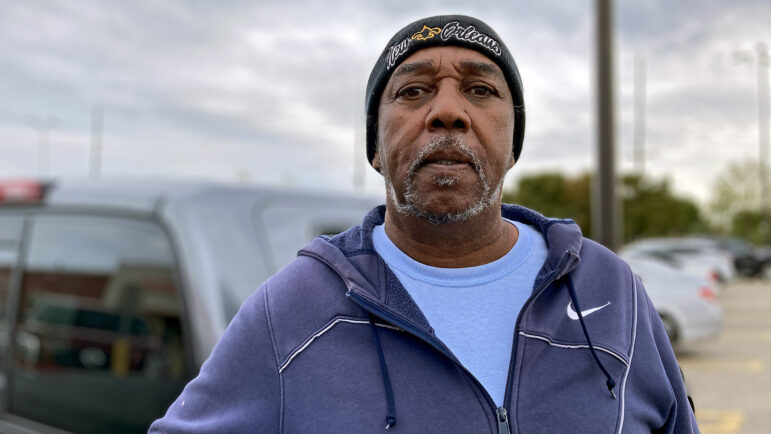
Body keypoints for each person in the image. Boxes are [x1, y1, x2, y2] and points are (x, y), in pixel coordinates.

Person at [150, 15, 698, 433]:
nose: (448, 111)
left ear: (513, 144)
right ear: (375, 148)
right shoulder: (290, 310)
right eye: (413, 91)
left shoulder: (613, 291)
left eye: (481, 90)